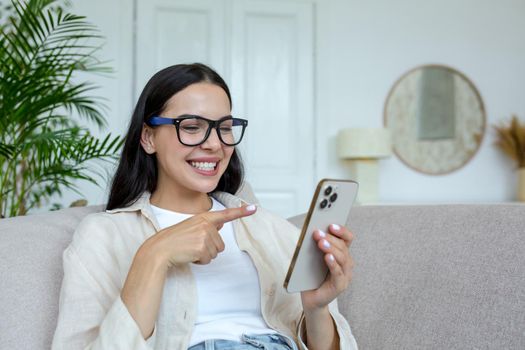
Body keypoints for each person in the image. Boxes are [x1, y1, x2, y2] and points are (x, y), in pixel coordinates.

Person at [52, 63, 358, 350]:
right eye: (192, 126)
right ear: (148, 137)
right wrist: (155, 254)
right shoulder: (103, 236)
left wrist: (316, 309)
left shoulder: (272, 229)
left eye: (224, 127)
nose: (214, 144)